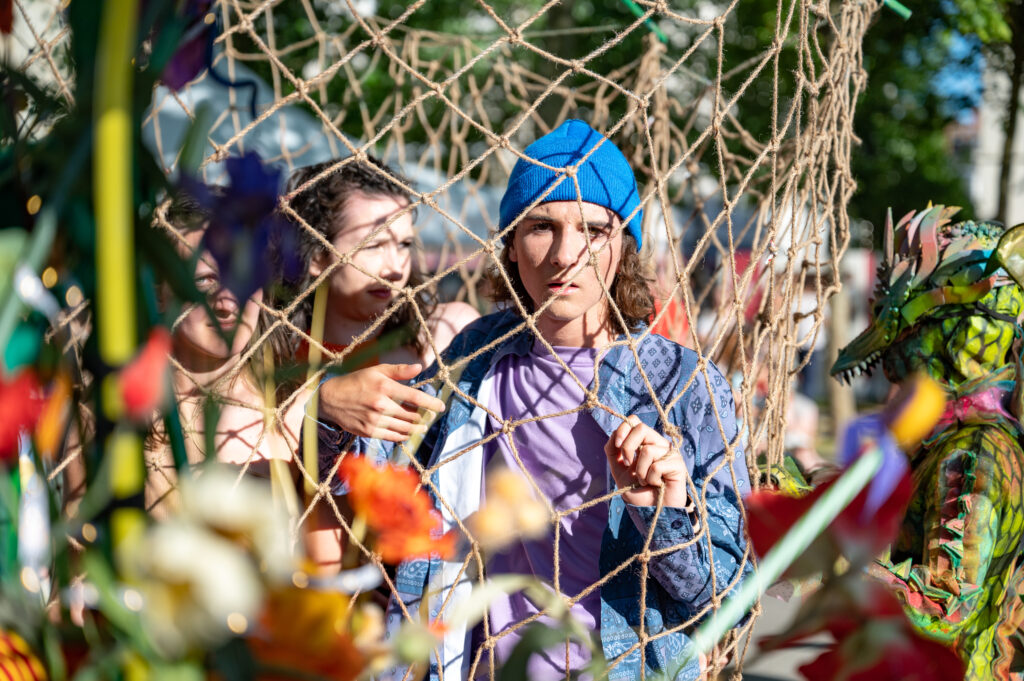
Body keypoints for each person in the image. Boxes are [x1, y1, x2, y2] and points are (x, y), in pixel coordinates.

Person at [317, 120, 750, 680]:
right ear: (512, 242)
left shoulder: (683, 384)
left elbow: (727, 594)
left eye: (593, 230)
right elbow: (373, 478)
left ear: (624, 246)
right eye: (542, 226)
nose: (565, 255)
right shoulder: (476, 356)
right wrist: (326, 408)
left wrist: (661, 512)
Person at [145, 197, 306, 515]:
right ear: (159, 294)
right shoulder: (115, 411)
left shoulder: (295, 409)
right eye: (205, 280)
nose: (228, 302)